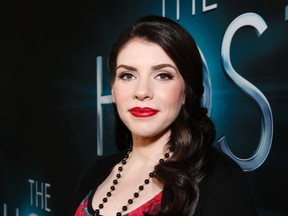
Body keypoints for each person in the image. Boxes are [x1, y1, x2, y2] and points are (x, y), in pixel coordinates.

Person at [73, 15, 257, 216]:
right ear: (114, 90)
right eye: (127, 75)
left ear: (186, 91)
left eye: (163, 75)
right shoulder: (95, 173)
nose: (142, 91)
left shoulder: (220, 180)